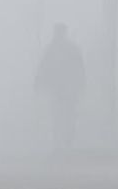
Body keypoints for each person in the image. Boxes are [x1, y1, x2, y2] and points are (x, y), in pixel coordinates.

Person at [34, 23, 86, 158]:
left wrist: (80, 83)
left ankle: (66, 142)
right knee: (59, 116)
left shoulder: (68, 49)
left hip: (68, 89)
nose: (58, 34)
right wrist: (39, 82)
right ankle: (59, 144)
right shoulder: (53, 49)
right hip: (59, 90)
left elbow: (79, 68)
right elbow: (43, 67)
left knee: (67, 115)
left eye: (59, 32)